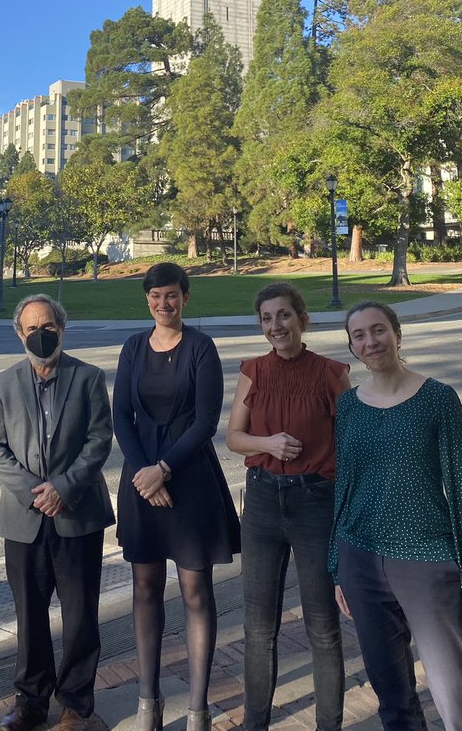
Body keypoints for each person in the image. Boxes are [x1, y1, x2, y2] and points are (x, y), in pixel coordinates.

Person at [113, 262, 240, 731]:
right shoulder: (132, 348)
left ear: (185, 298)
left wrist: (163, 470)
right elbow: (121, 416)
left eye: (171, 295)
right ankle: (149, 701)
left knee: (195, 593)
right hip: (141, 482)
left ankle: (198, 708)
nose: (163, 304)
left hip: (189, 482)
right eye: (155, 296)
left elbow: (206, 421)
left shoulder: (202, 348)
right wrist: (147, 474)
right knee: (144, 588)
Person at [0, 295, 114, 731]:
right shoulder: (2, 386)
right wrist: (36, 493)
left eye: (49, 326)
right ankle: (30, 702)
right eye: (32, 327)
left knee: (79, 614)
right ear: (20, 334)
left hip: (77, 514)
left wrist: (63, 488)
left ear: (62, 327)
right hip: (24, 519)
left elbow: (99, 440)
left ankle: (76, 702)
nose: (41, 334)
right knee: (30, 614)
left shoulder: (89, 378)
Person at [331, 300, 462, 731]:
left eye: (378, 330)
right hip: (360, 557)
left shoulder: (438, 400)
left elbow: (459, 485)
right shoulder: (348, 405)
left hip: (425, 556)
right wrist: (336, 567)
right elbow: (344, 486)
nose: (371, 342)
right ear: (351, 345)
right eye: (359, 335)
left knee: (452, 687)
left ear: (397, 334)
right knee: (391, 692)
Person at [226, 282, 350, 731]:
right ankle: (254, 722)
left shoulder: (332, 373)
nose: (275, 326)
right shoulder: (254, 372)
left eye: (283, 316)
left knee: (322, 626)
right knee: (259, 627)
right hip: (261, 501)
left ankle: (329, 724)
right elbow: (234, 437)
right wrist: (269, 444)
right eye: (266, 318)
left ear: (302, 318)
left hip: (316, 501)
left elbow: (350, 444)